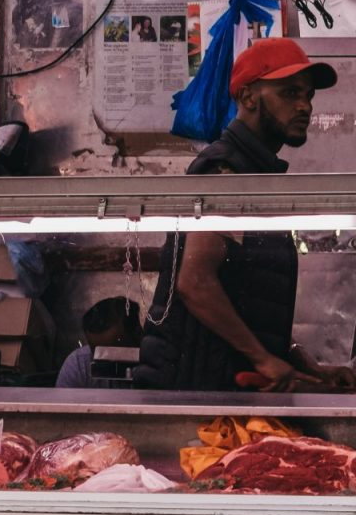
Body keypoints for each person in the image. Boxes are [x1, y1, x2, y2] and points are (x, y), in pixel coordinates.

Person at [131, 37, 348, 391]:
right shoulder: (227, 171)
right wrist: (264, 360)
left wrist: (298, 361)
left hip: (218, 383)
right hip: (191, 389)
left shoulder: (257, 175)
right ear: (248, 97)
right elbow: (195, 282)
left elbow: (247, 297)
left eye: (308, 96)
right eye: (290, 93)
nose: (304, 106)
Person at [54, 297, 142, 388]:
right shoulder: (79, 365)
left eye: (112, 351)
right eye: (96, 352)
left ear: (138, 335)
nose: (105, 360)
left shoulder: (154, 363)